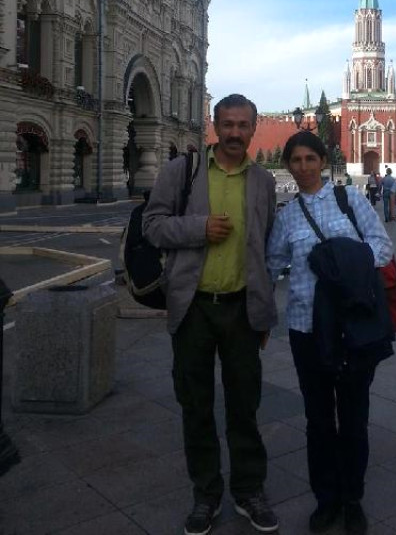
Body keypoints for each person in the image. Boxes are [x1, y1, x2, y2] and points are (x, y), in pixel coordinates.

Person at [143, 93, 279, 535]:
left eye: (243, 125)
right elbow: (152, 225)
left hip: (241, 309)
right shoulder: (182, 171)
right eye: (228, 124)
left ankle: (248, 490)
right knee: (196, 406)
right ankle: (206, 494)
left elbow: (265, 248)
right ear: (214, 128)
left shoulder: (263, 181)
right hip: (194, 309)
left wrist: (263, 313)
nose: (235, 132)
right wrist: (198, 228)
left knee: (245, 406)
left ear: (254, 128)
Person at [267, 132, 393, 535]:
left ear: (323, 161)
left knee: (354, 418)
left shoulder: (349, 199)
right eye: (296, 160)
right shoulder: (287, 216)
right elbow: (272, 264)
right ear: (288, 165)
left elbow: (382, 246)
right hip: (306, 327)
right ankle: (326, 499)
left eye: (310, 158)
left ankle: (352, 498)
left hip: (352, 327)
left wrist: (342, 261)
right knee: (318, 419)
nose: (303, 166)